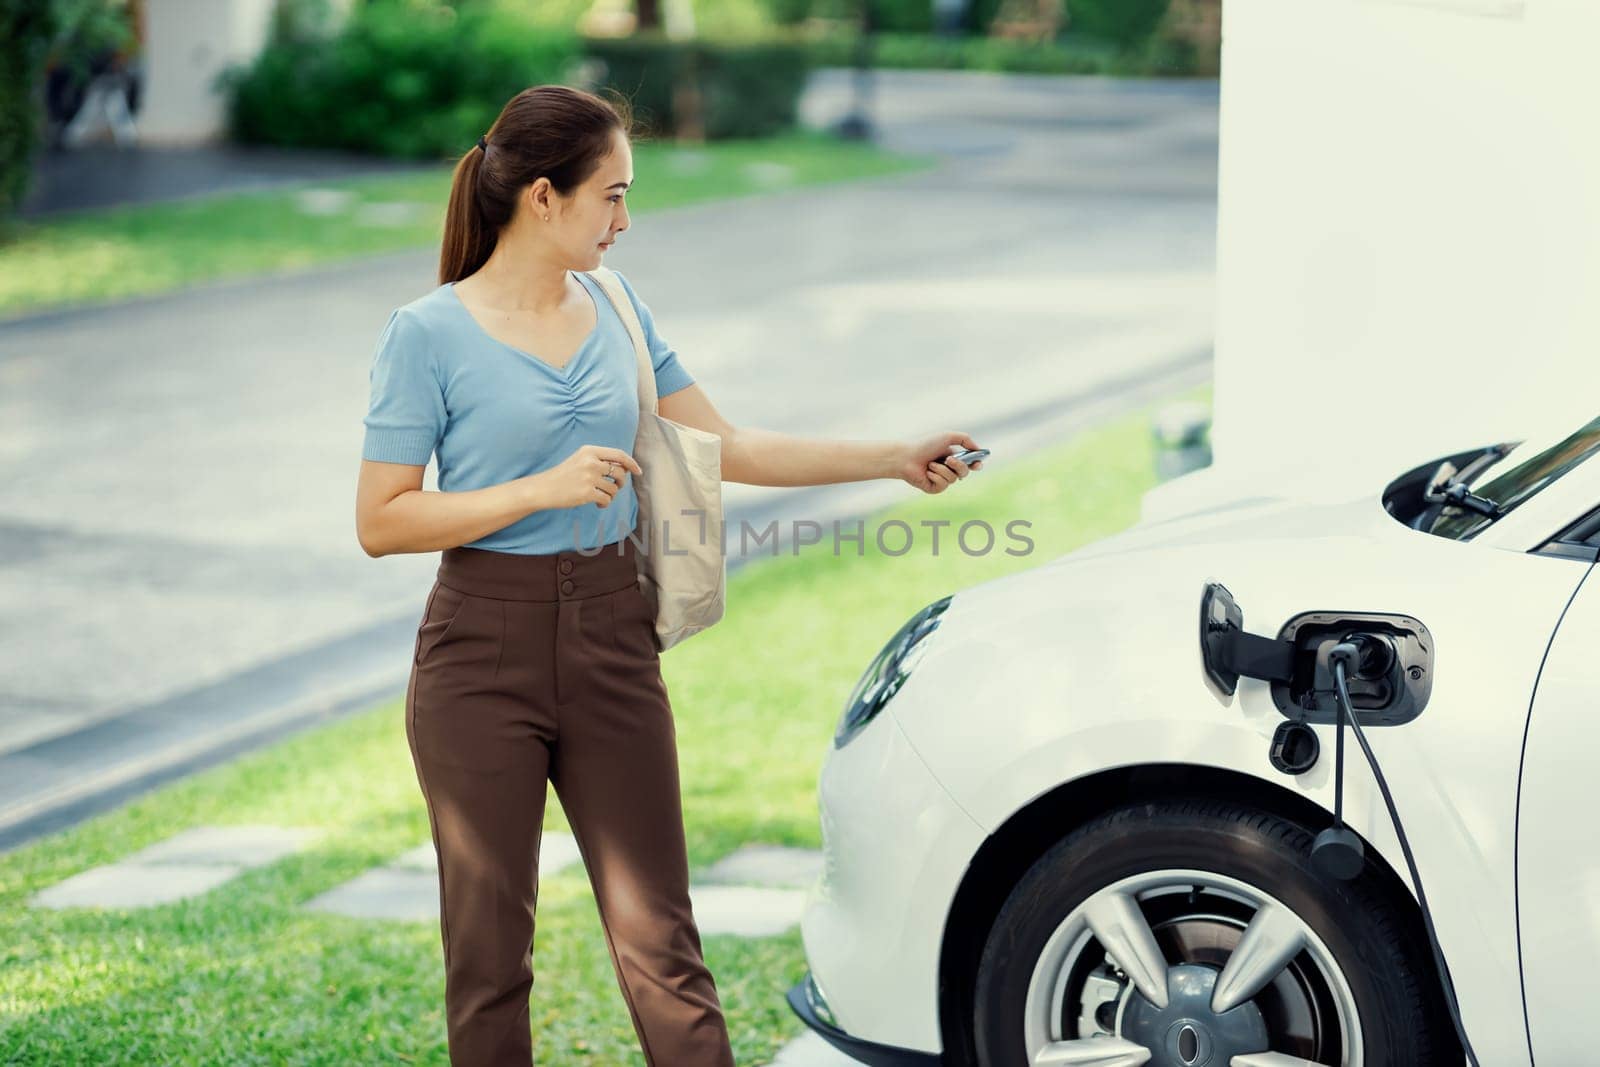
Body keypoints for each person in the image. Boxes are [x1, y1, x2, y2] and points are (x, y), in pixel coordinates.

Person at [352, 83, 984, 1067]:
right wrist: (535, 489)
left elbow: (725, 443)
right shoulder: (426, 333)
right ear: (544, 198)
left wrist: (893, 455)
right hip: (479, 651)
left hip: (611, 633)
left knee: (662, 945)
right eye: (610, 195)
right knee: (488, 955)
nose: (625, 219)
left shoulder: (616, 306)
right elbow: (382, 519)